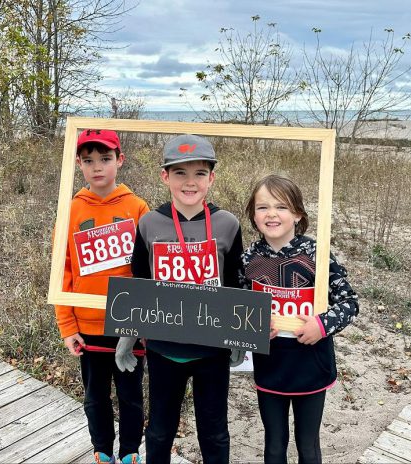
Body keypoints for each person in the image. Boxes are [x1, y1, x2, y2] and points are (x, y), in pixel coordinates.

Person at [116, 134, 244, 464]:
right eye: (179, 173)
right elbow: (139, 286)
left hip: (212, 352)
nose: (190, 182)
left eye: (200, 173)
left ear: (212, 178)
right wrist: (127, 338)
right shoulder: (149, 223)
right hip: (163, 350)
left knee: (214, 432)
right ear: (165, 177)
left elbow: (236, 285)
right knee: (159, 430)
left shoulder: (227, 224)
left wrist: (240, 337)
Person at [240, 174, 359, 464]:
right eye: (262, 207)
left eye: (281, 207)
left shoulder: (316, 254)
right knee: (274, 444)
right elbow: (239, 308)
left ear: (297, 214)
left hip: (311, 363)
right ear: (253, 215)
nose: (271, 214)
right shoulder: (248, 259)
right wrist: (251, 326)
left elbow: (349, 303)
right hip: (270, 364)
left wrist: (322, 325)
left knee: (308, 445)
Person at [54, 129, 150, 464]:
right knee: (96, 396)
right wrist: (67, 326)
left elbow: (147, 271)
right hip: (88, 324)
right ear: (79, 164)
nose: (98, 167)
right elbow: (62, 270)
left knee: (130, 396)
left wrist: (144, 323)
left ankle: (129, 452)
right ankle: (102, 450)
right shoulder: (71, 210)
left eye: (105, 159)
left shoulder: (137, 207)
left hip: (127, 325)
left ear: (119, 161)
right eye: (89, 160)